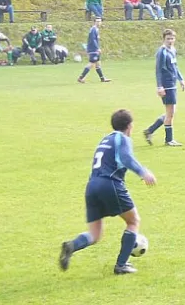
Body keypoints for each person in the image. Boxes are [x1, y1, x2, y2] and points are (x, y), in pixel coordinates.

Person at [58, 109, 157, 275]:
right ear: (130, 126)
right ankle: (121, 265)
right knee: (133, 221)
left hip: (92, 186)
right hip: (110, 184)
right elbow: (126, 158)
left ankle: (72, 245)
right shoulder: (123, 138)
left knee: (94, 234)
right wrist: (143, 172)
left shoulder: (105, 139)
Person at [143, 29, 185, 147]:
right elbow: (158, 71)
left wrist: (181, 79)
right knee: (170, 113)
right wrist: (159, 86)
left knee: (171, 112)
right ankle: (169, 139)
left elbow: (175, 66)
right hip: (166, 85)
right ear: (164, 39)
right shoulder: (161, 52)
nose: (170, 41)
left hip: (173, 83)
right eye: (168, 39)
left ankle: (150, 131)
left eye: (172, 38)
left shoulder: (173, 50)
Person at [77, 18, 111, 83]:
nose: (99, 23)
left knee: (98, 64)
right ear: (94, 22)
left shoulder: (96, 29)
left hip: (93, 49)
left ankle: (102, 78)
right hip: (93, 49)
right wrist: (97, 48)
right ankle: (81, 78)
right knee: (91, 63)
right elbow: (93, 40)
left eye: (100, 21)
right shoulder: (93, 29)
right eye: (97, 21)